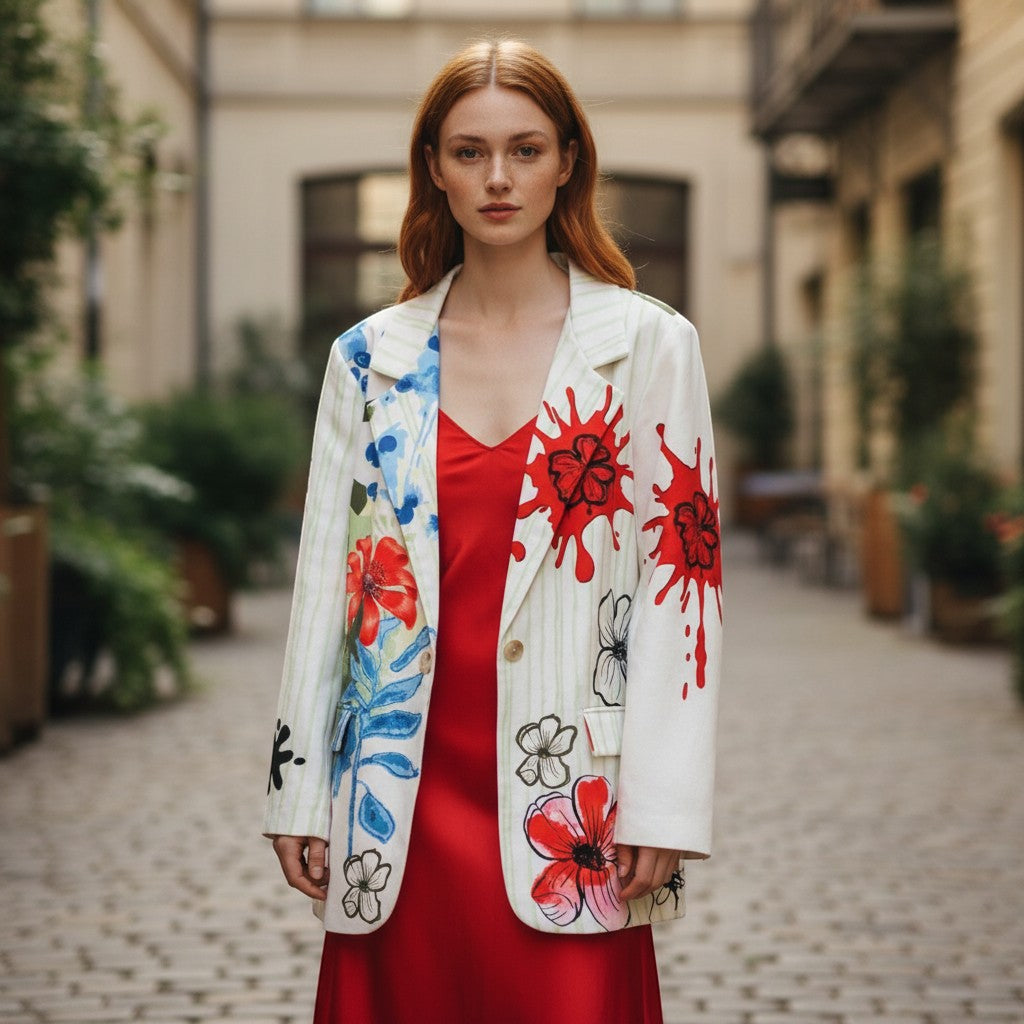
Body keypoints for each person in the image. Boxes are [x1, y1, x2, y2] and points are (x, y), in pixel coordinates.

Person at [264, 38, 723, 1024]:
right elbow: (323, 587)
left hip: (573, 797)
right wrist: (298, 793)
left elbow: (682, 589)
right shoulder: (367, 362)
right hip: (401, 788)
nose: (499, 177)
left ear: (567, 161)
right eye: (469, 152)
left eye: (525, 148)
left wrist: (666, 804)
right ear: (432, 165)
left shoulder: (648, 346)